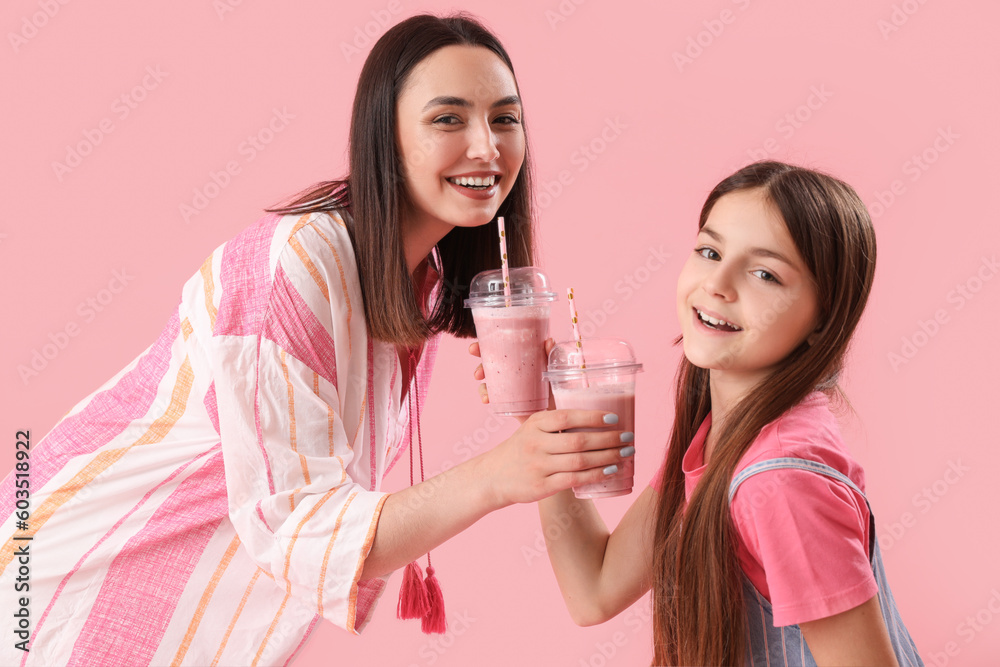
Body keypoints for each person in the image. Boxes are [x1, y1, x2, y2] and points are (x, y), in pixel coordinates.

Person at [0, 14, 628, 666]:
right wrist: (500, 474)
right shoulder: (297, 263)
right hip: (56, 597)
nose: (486, 146)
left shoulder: (422, 283)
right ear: (383, 138)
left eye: (505, 117)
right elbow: (301, 529)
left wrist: (540, 418)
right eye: (448, 119)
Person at [505, 161, 925, 665]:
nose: (718, 284)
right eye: (710, 251)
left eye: (765, 273)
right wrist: (542, 417)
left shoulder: (780, 482)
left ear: (823, 320)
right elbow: (595, 587)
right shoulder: (724, 439)